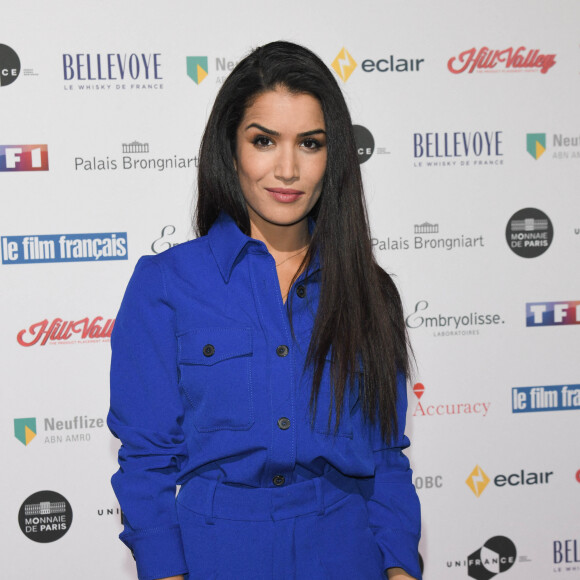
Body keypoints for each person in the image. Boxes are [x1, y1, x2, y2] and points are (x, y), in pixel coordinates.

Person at [108, 41, 421, 580]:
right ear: (231, 151)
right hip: (216, 556)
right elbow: (146, 462)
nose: (288, 168)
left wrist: (398, 569)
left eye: (310, 143)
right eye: (264, 141)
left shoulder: (370, 291)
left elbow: (386, 456)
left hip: (346, 554)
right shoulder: (166, 284)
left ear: (334, 156)